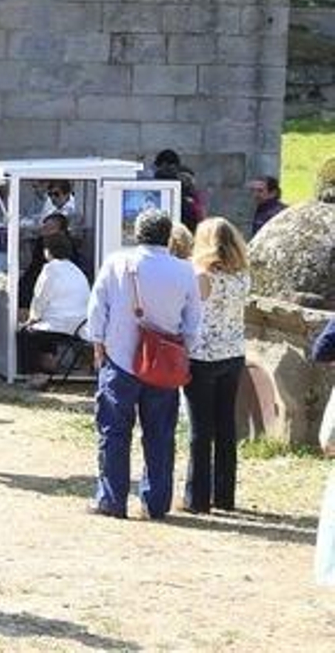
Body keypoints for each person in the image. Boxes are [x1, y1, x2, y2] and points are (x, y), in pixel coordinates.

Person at [86, 209, 202, 520]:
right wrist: (183, 351)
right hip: (163, 362)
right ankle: (156, 502)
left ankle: (111, 499)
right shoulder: (185, 271)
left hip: (120, 357)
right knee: (160, 435)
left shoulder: (117, 262)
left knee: (113, 431)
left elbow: (98, 307)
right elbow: (193, 322)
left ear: (137, 233)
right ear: (168, 236)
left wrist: (98, 343)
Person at [183, 217, 251, 513]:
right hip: (233, 353)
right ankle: (224, 495)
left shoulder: (201, 275)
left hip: (203, 355)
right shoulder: (242, 276)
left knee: (201, 429)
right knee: (225, 426)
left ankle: (197, 497)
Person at [17, 232, 91, 389]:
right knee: (43, 329)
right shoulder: (76, 270)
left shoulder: (50, 269)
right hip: (80, 326)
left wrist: (31, 318)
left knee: (26, 333)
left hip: (59, 324)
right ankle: (49, 364)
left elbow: (40, 298)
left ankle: (36, 375)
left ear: (47, 250)